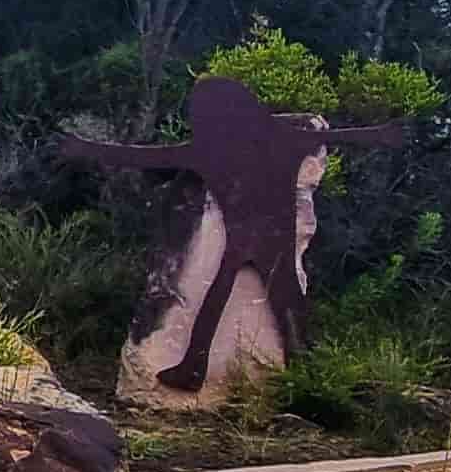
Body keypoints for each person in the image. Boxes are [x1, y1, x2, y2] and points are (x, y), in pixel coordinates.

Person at [58, 77, 406, 393]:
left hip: (243, 240)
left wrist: (82, 147)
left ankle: (198, 366)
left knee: (226, 294)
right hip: (275, 239)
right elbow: (341, 136)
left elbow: (140, 157)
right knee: (285, 303)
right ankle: (301, 376)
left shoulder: (210, 150)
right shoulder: (285, 139)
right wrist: (384, 133)